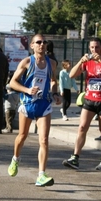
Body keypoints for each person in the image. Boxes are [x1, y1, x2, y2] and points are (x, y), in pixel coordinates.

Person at [7, 34, 61, 187]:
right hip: (27, 104)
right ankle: (15, 159)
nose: (42, 45)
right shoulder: (26, 62)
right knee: (22, 136)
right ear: (32, 46)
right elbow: (12, 83)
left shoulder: (52, 63)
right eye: (38, 42)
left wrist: (55, 93)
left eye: (44, 42)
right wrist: (27, 90)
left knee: (44, 140)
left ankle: (41, 175)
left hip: (43, 105)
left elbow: (53, 80)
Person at [62, 37, 101, 170]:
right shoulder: (87, 62)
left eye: (97, 47)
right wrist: (80, 62)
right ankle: (75, 158)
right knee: (82, 127)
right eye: (92, 47)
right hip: (89, 99)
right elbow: (71, 75)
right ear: (89, 48)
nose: (95, 50)